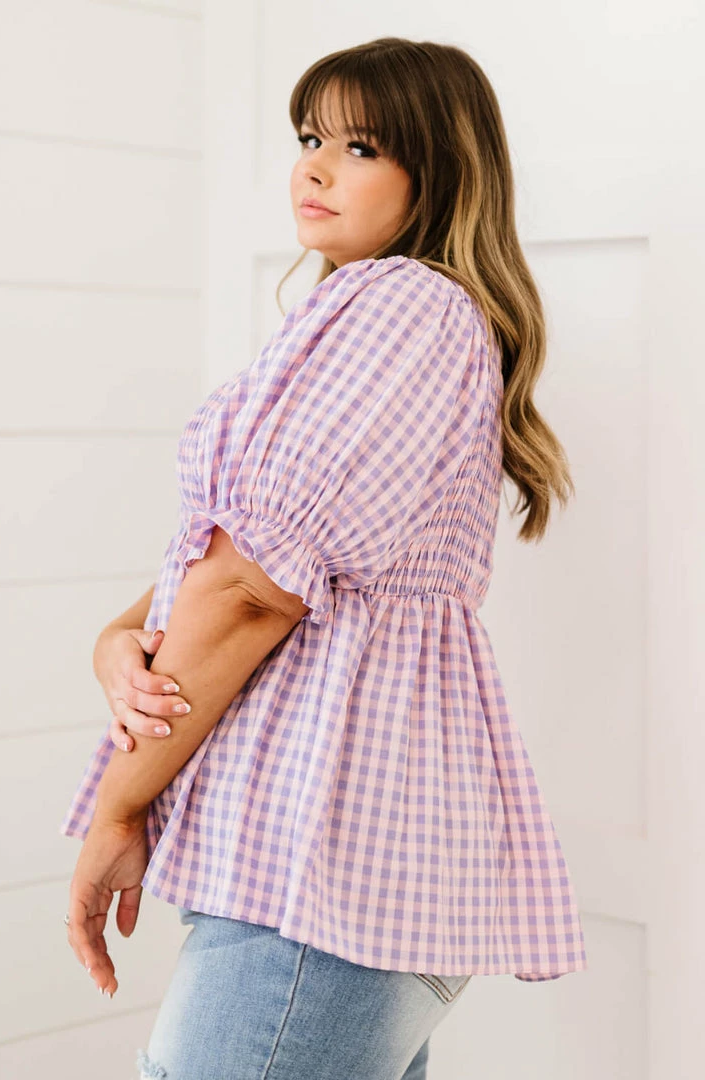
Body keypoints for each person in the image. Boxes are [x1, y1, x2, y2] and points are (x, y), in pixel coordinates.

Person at [60, 36, 588, 1080]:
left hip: (321, 870)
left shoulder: (402, 307)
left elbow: (252, 591)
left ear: (435, 172)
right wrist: (119, 643)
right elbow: (229, 562)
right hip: (339, 875)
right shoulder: (379, 319)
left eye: (359, 145)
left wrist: (119, 808)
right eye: (309, 137)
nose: (312, 166)